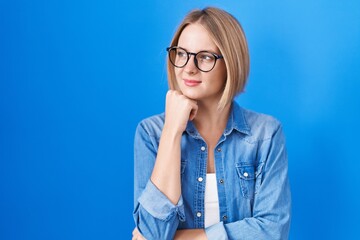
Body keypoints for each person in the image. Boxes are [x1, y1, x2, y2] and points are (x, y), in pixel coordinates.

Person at [132, 6, 291, 240]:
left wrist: (181, 238)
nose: (188, 67)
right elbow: (152, 231)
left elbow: (273, 231)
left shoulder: (266, 134)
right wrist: (172, 132)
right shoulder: (151, 133)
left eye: (205, 57)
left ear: (231, 63)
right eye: (181, 53)